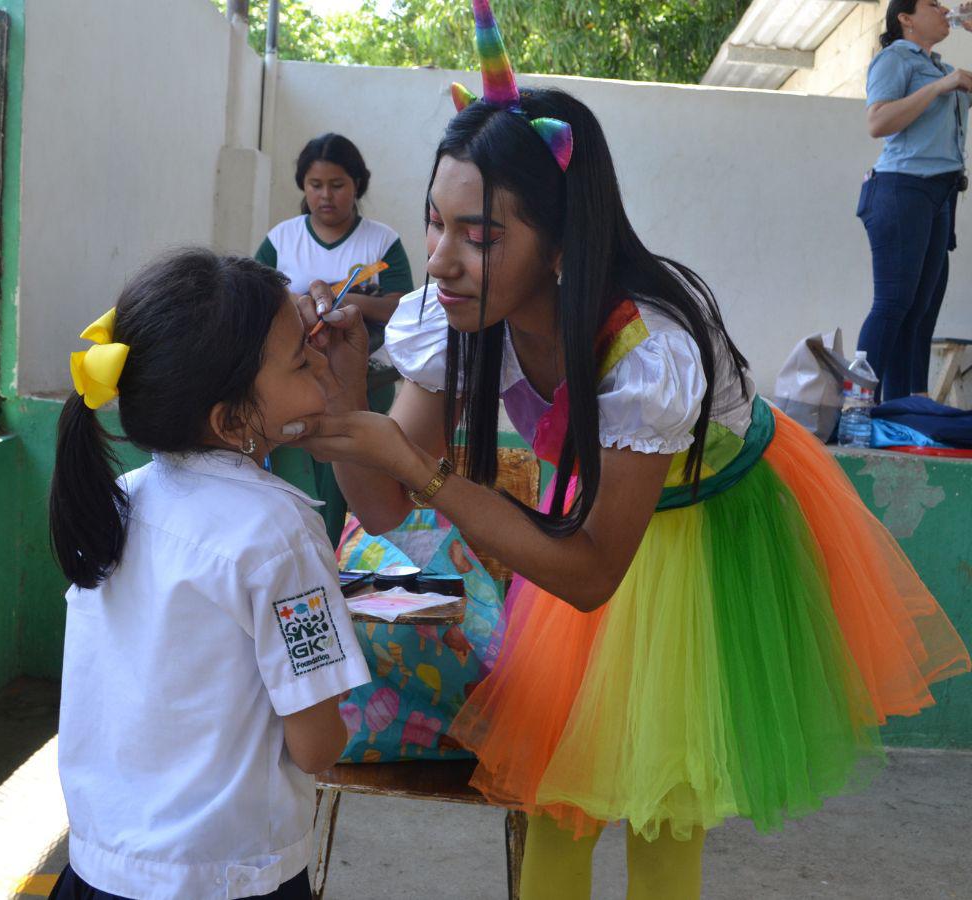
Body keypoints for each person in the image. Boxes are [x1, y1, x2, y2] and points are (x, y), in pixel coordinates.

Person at [293, 2, 971, 897]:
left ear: (562, 243)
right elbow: (384, 512)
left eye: (478, 235)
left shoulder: (648, 349)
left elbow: (589, 575)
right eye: (435, 223)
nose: (441, 260)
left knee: (661, 798)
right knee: (559, 800)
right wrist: (347, 408)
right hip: (586, 512)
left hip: (703, 532)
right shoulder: (448, 318)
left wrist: (415, 463)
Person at [47, 249, 370, 899]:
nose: (318, 367)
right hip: (230, 876)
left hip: (100, 867)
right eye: (304, 361)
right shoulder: (278, 533)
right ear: (231, 420)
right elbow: (316, 745)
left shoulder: (118, 503)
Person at [256, 133, 415, 543]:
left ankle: (345, 559)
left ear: (357, 185)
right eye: (315, 185)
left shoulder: (382, 241)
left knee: (355, 465)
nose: (326, 195)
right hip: (292, 376)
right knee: (300, 473)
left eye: (337, 185)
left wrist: (347, 300)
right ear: (303, 186)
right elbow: (253, 298)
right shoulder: (281, 239)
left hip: (367, 378)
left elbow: (403, 304)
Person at [857, 0, 971, 401]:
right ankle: (857, 405)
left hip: (939, 194)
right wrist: (941, 86)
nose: (944, 9)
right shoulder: (895, 59)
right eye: (932, 4)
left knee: (920, 314)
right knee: (893, 304)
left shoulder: (943, 68)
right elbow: (878, 121)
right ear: (905, 18)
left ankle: (909, 409)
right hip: (901, 188)